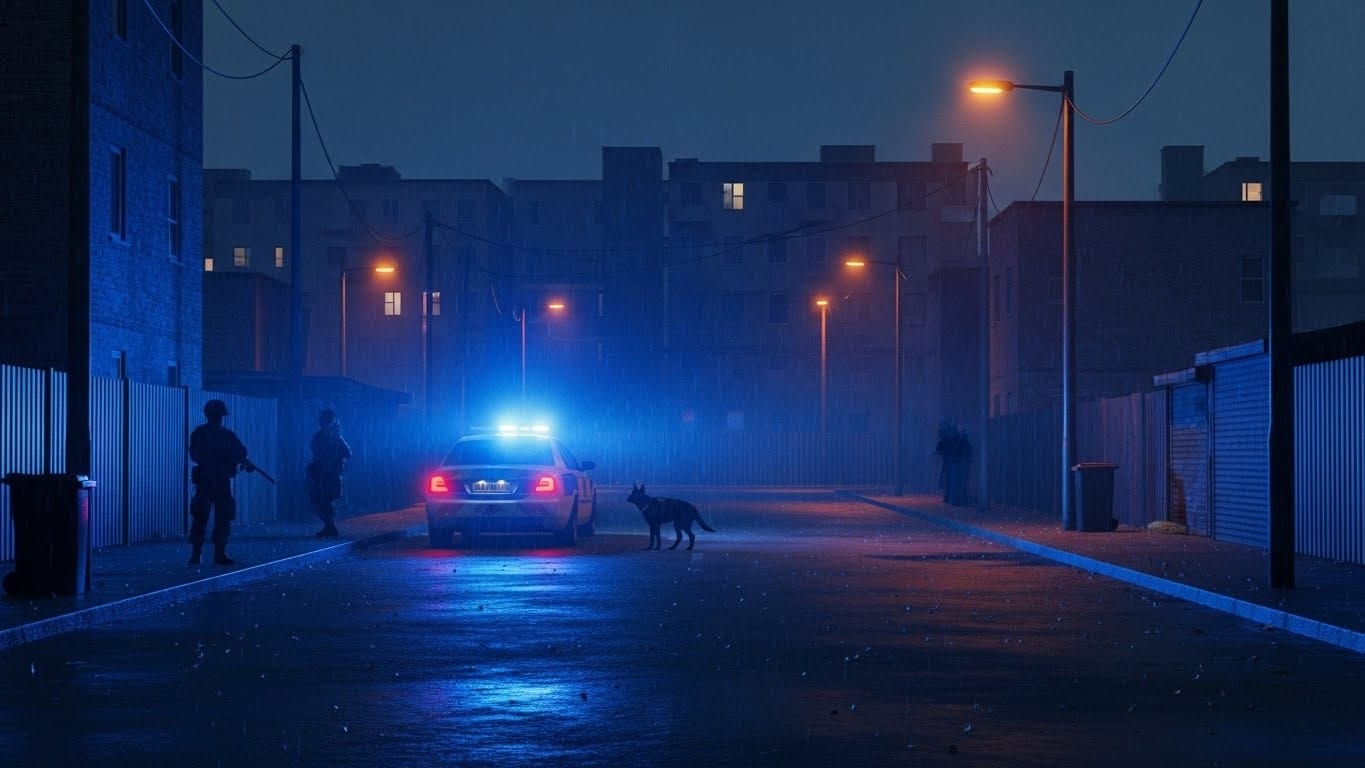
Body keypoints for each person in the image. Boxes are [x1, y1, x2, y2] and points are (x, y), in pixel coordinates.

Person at [188, 399, 250, 566]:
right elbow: (195, 455)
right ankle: (204, 554)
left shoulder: (212, 434)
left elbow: (241, 452)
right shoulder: (212, 434)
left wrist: (239, 460)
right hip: (211, 480)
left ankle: (212, 553)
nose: (218, 419)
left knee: (214, 518)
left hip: (214, 480)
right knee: (206, 517)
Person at [307, 409, 352, 538]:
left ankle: (330, 528)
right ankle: (329, 527)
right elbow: (315, 453)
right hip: (321, 474)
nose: (325, 424)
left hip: (332, 474)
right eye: (323, 421)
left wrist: (337, 462)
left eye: (327, 421)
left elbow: (348, 453)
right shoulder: (319, 436)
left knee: (326, 500)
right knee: (317, 501)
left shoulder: (337, 438)